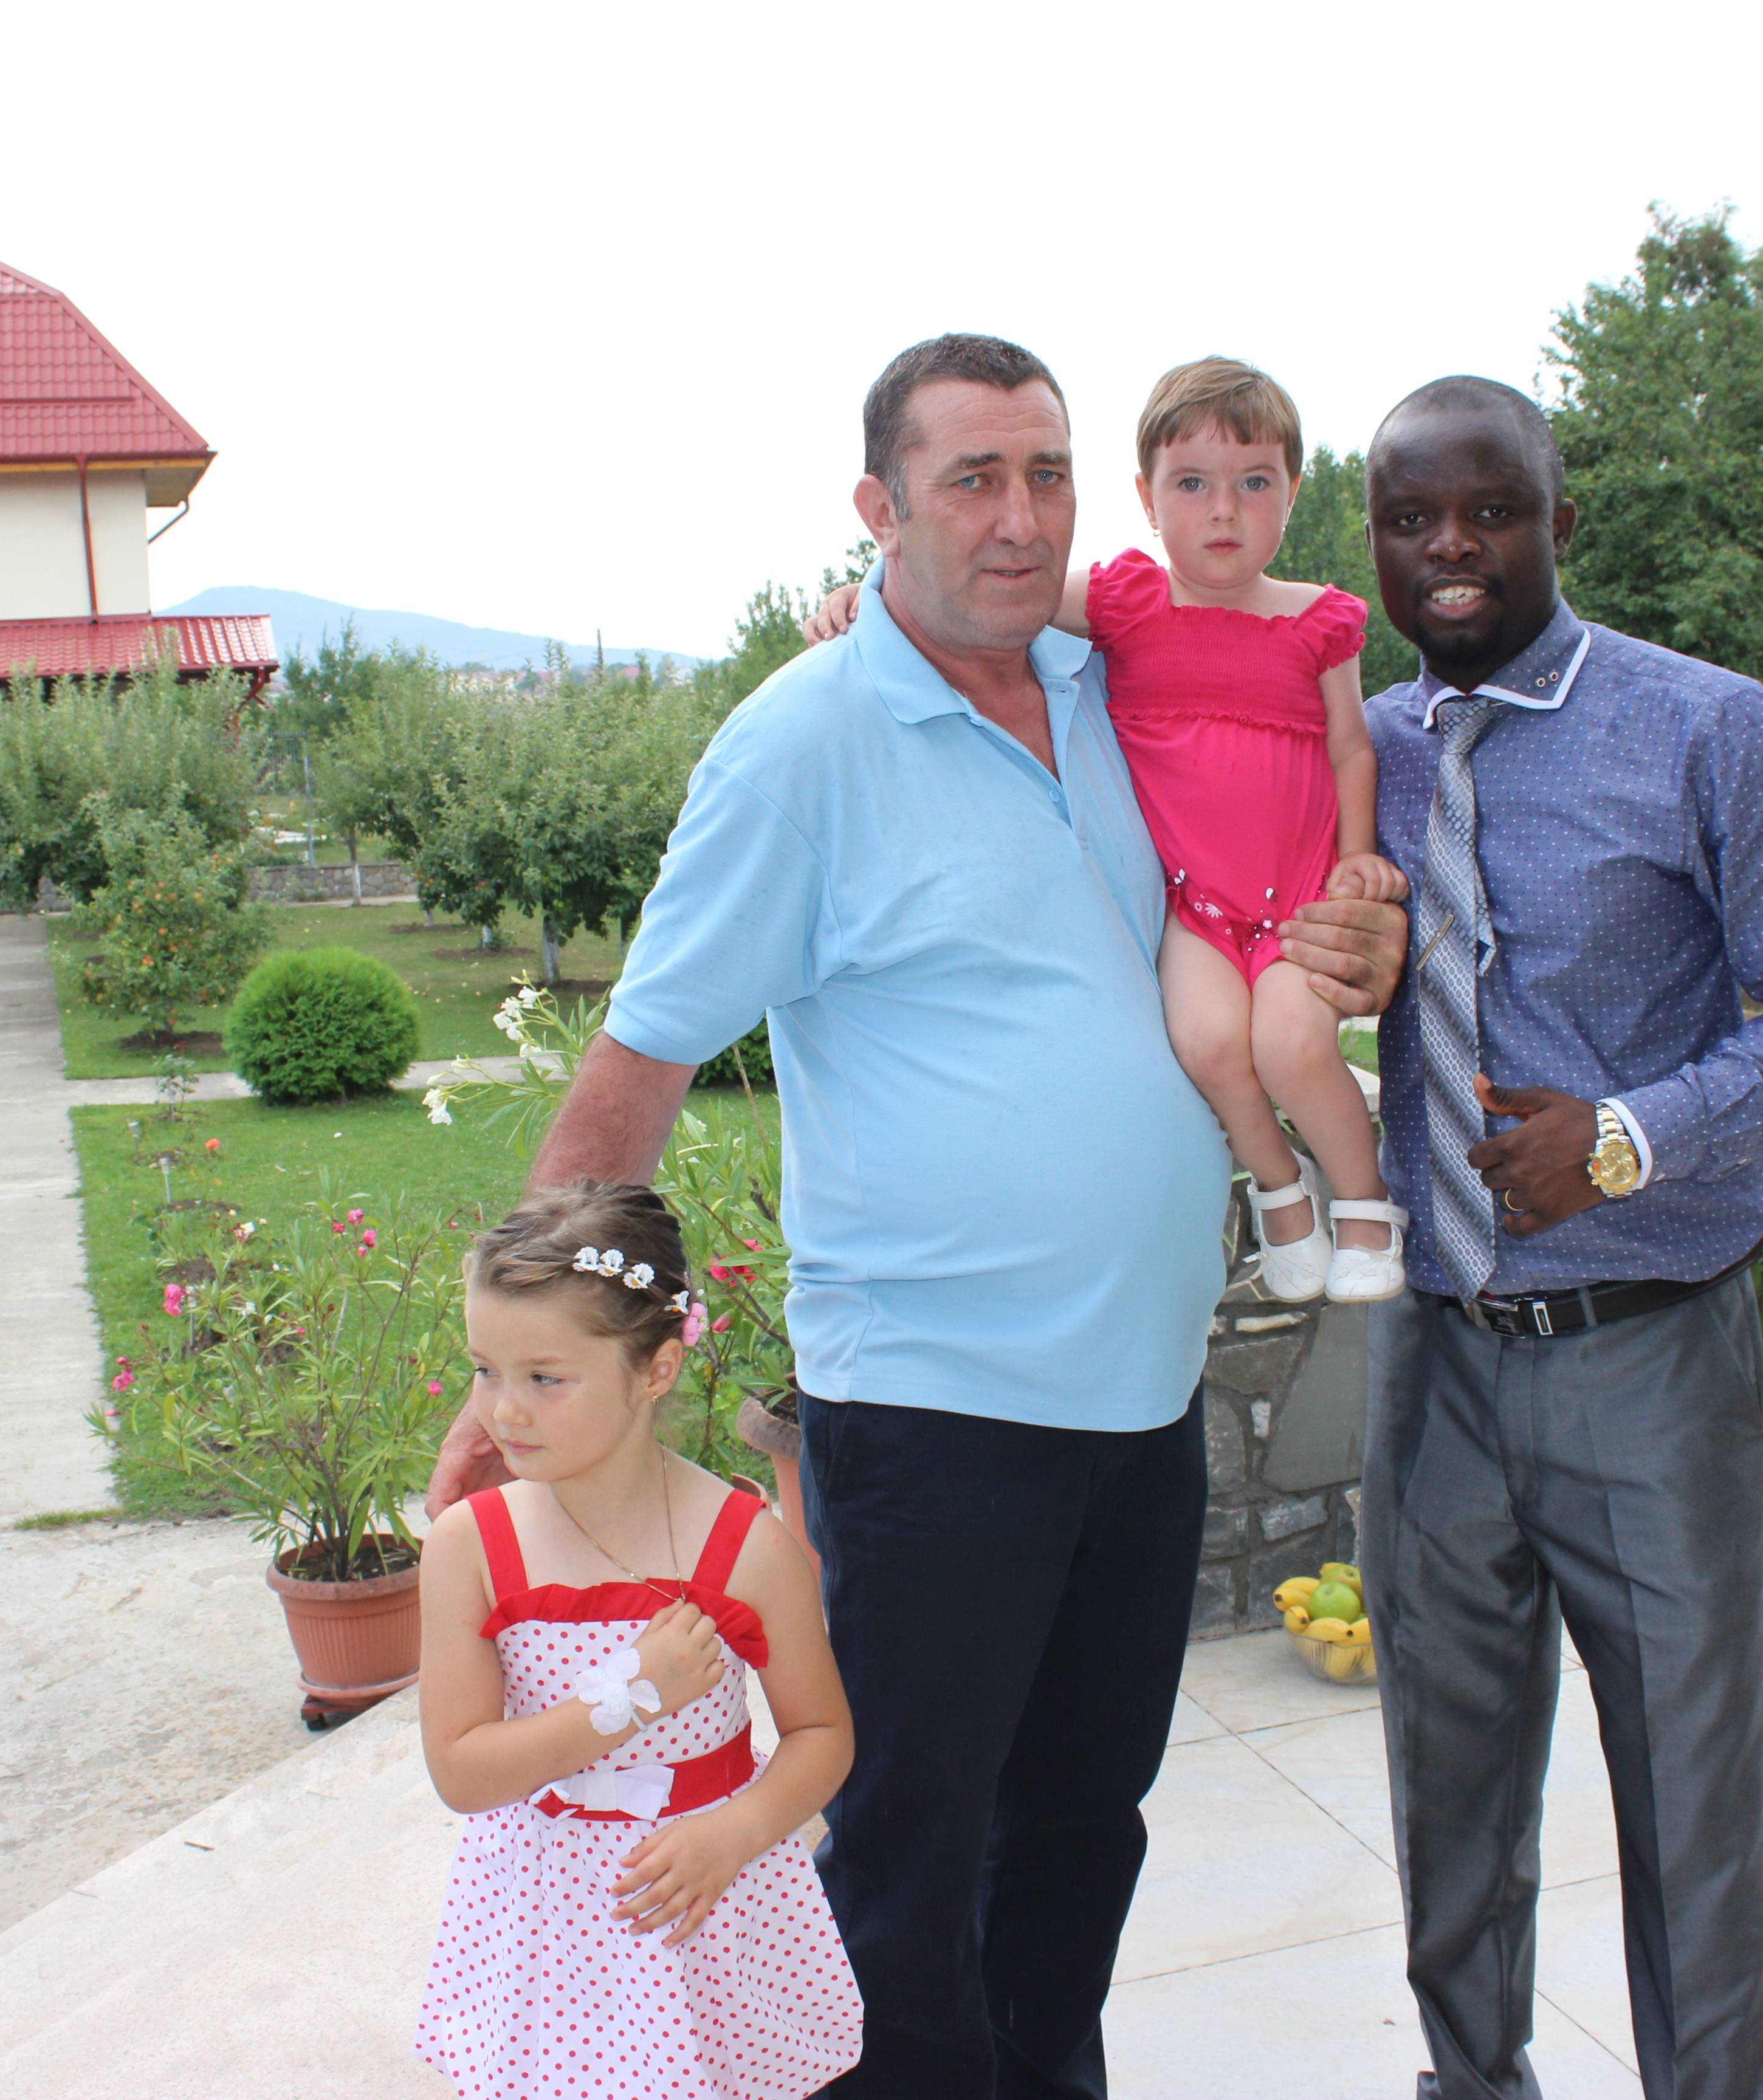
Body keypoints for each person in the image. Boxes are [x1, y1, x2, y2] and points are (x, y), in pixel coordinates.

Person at [425, 332, 1406, 2098]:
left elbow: (1282, 826)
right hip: (937, 1413)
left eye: (1047, 474)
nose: (1019, 517)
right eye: (972, 480)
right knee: (909, 1856)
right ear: (879, 510)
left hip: (1141, 1401)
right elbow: (639, 1067)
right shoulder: (802, 743)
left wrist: (1355, 922)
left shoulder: (1113, 685)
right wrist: (529, 1366)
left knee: (1085, 1830)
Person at [1356, 377, 1763, 2100]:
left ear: (1558, 522)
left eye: (1490, 510)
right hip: (1433, 1360)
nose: (1451, 548)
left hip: (1647, 1356)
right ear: (1373, 543)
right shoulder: (1357, 750)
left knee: (1690, 1814)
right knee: (1447, 1804)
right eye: (1412, 519)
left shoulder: (1702, 725)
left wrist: (1624, 1139)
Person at [805, 354, 1410, 1302]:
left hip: (1296, 896)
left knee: (1293, 1044)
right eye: (1192, 485)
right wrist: (872, 586)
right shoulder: (1128, 602)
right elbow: (991, 582)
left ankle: (1367, 1207)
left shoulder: (1319, 623)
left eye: (1255, 484)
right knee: (1209, 1043)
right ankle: (1281, 1189)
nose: (1223, 512)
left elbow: (1350, 748)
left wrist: (1359, 855)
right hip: (1195, 906)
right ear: (1146, 498)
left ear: (1293, 492)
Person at [415, 1180, 862, 2099]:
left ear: (656, 1370)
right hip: (542, 1916)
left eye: (545, 1378)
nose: (505, 1411)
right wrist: (630, 1695)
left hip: (707, 1902)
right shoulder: (473, 1548)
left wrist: (736, 1832)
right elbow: (461, 1773)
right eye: (485, 1370)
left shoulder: (745, 1548)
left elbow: (822, 1734)